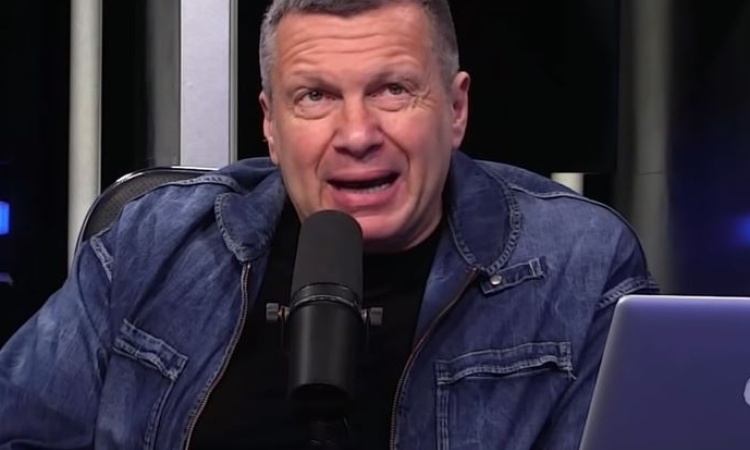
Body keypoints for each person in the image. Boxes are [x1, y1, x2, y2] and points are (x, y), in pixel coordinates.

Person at [0, 0, 658, 448]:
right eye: (315, 96)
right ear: (270, 123)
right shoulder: (150, 243)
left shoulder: (578, 264)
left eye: (392, 90)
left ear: (456, 109)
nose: (357, 134)